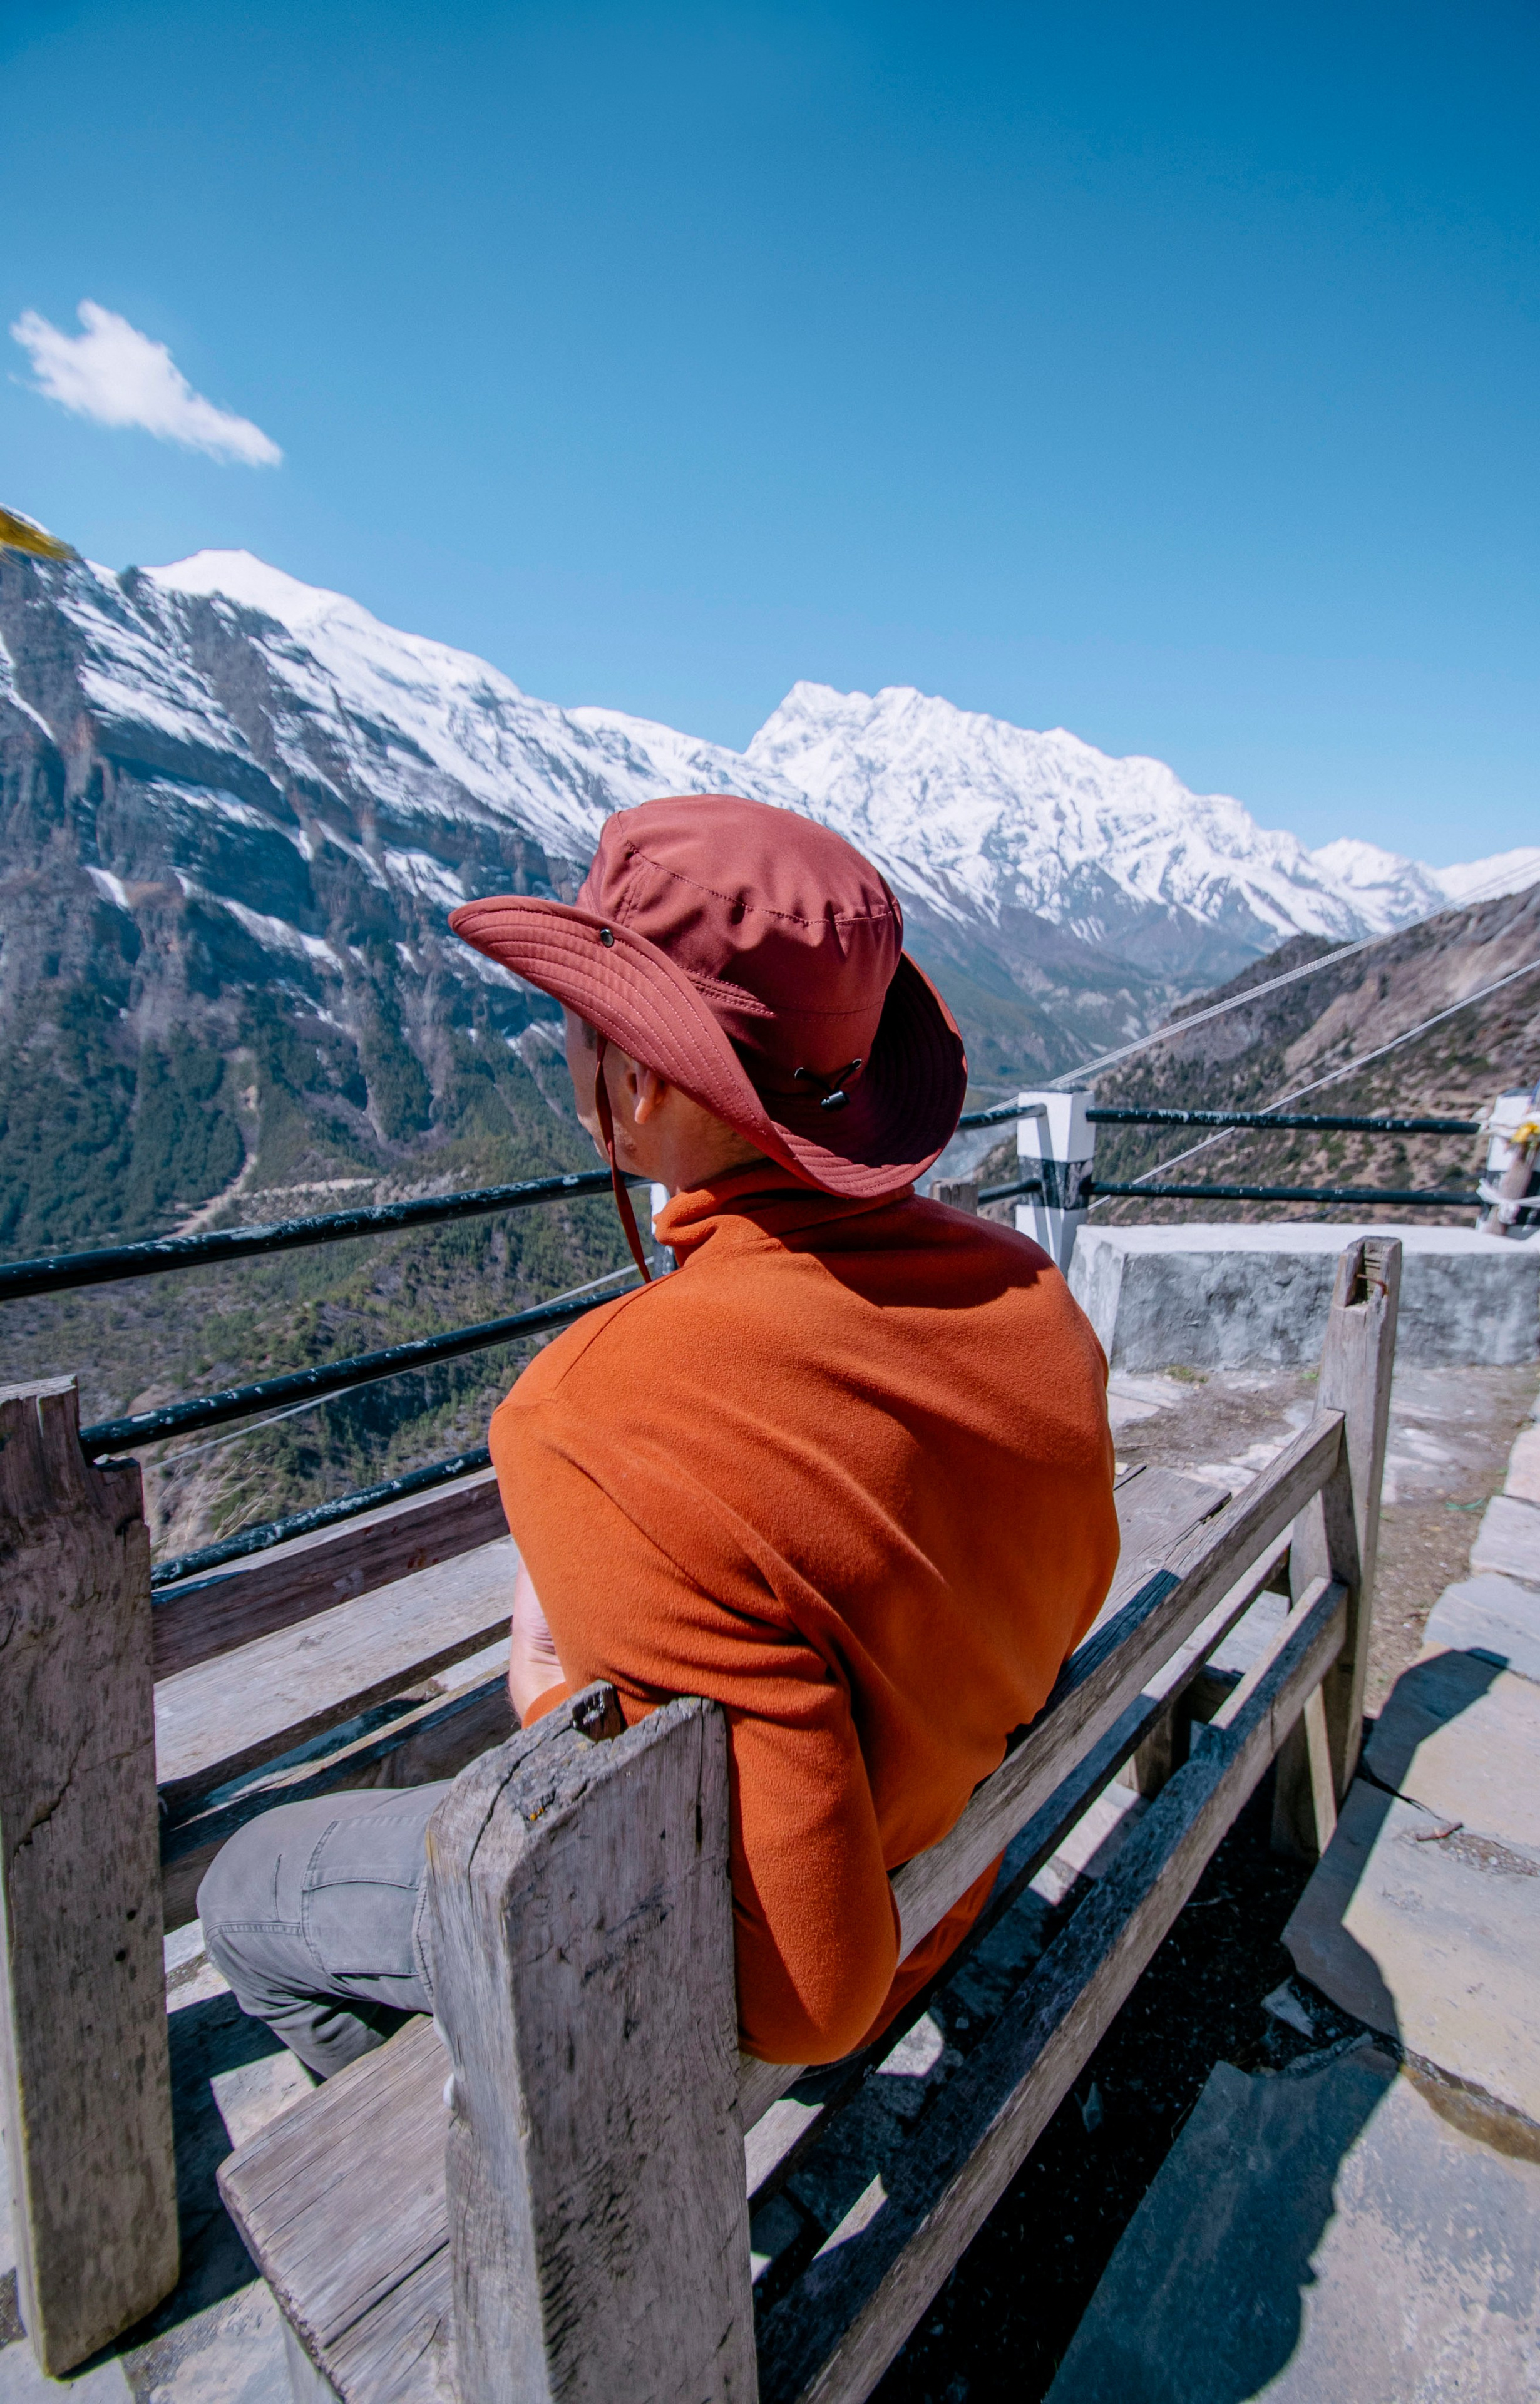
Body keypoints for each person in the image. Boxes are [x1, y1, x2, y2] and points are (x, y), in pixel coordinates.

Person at [198, 795, 1119, 2077]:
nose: (567, 1051)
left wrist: (545, 1683)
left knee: (247, 1891)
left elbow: (808, 1998)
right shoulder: (1028, 1293)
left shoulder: (593, 1418)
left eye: (585, 1021)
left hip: (842, 1954)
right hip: (953, 1849)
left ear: (635, 1081)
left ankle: (452, 2164)